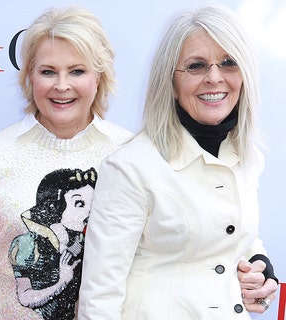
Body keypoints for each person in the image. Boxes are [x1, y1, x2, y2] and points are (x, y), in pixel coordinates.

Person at [78, 5, 278, 319]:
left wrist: (260, 267)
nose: (214, 78)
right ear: (170, 81)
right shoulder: (131, 168)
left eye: (229, 63)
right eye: (196, 66)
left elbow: (232, 232)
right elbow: (99, 297)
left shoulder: (248, 157)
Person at [0, 6, 133, 319]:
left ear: (99, 78)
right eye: (48, 71)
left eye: (77, 71)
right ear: (29, 76)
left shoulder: (129, 154)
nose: (62, 85)